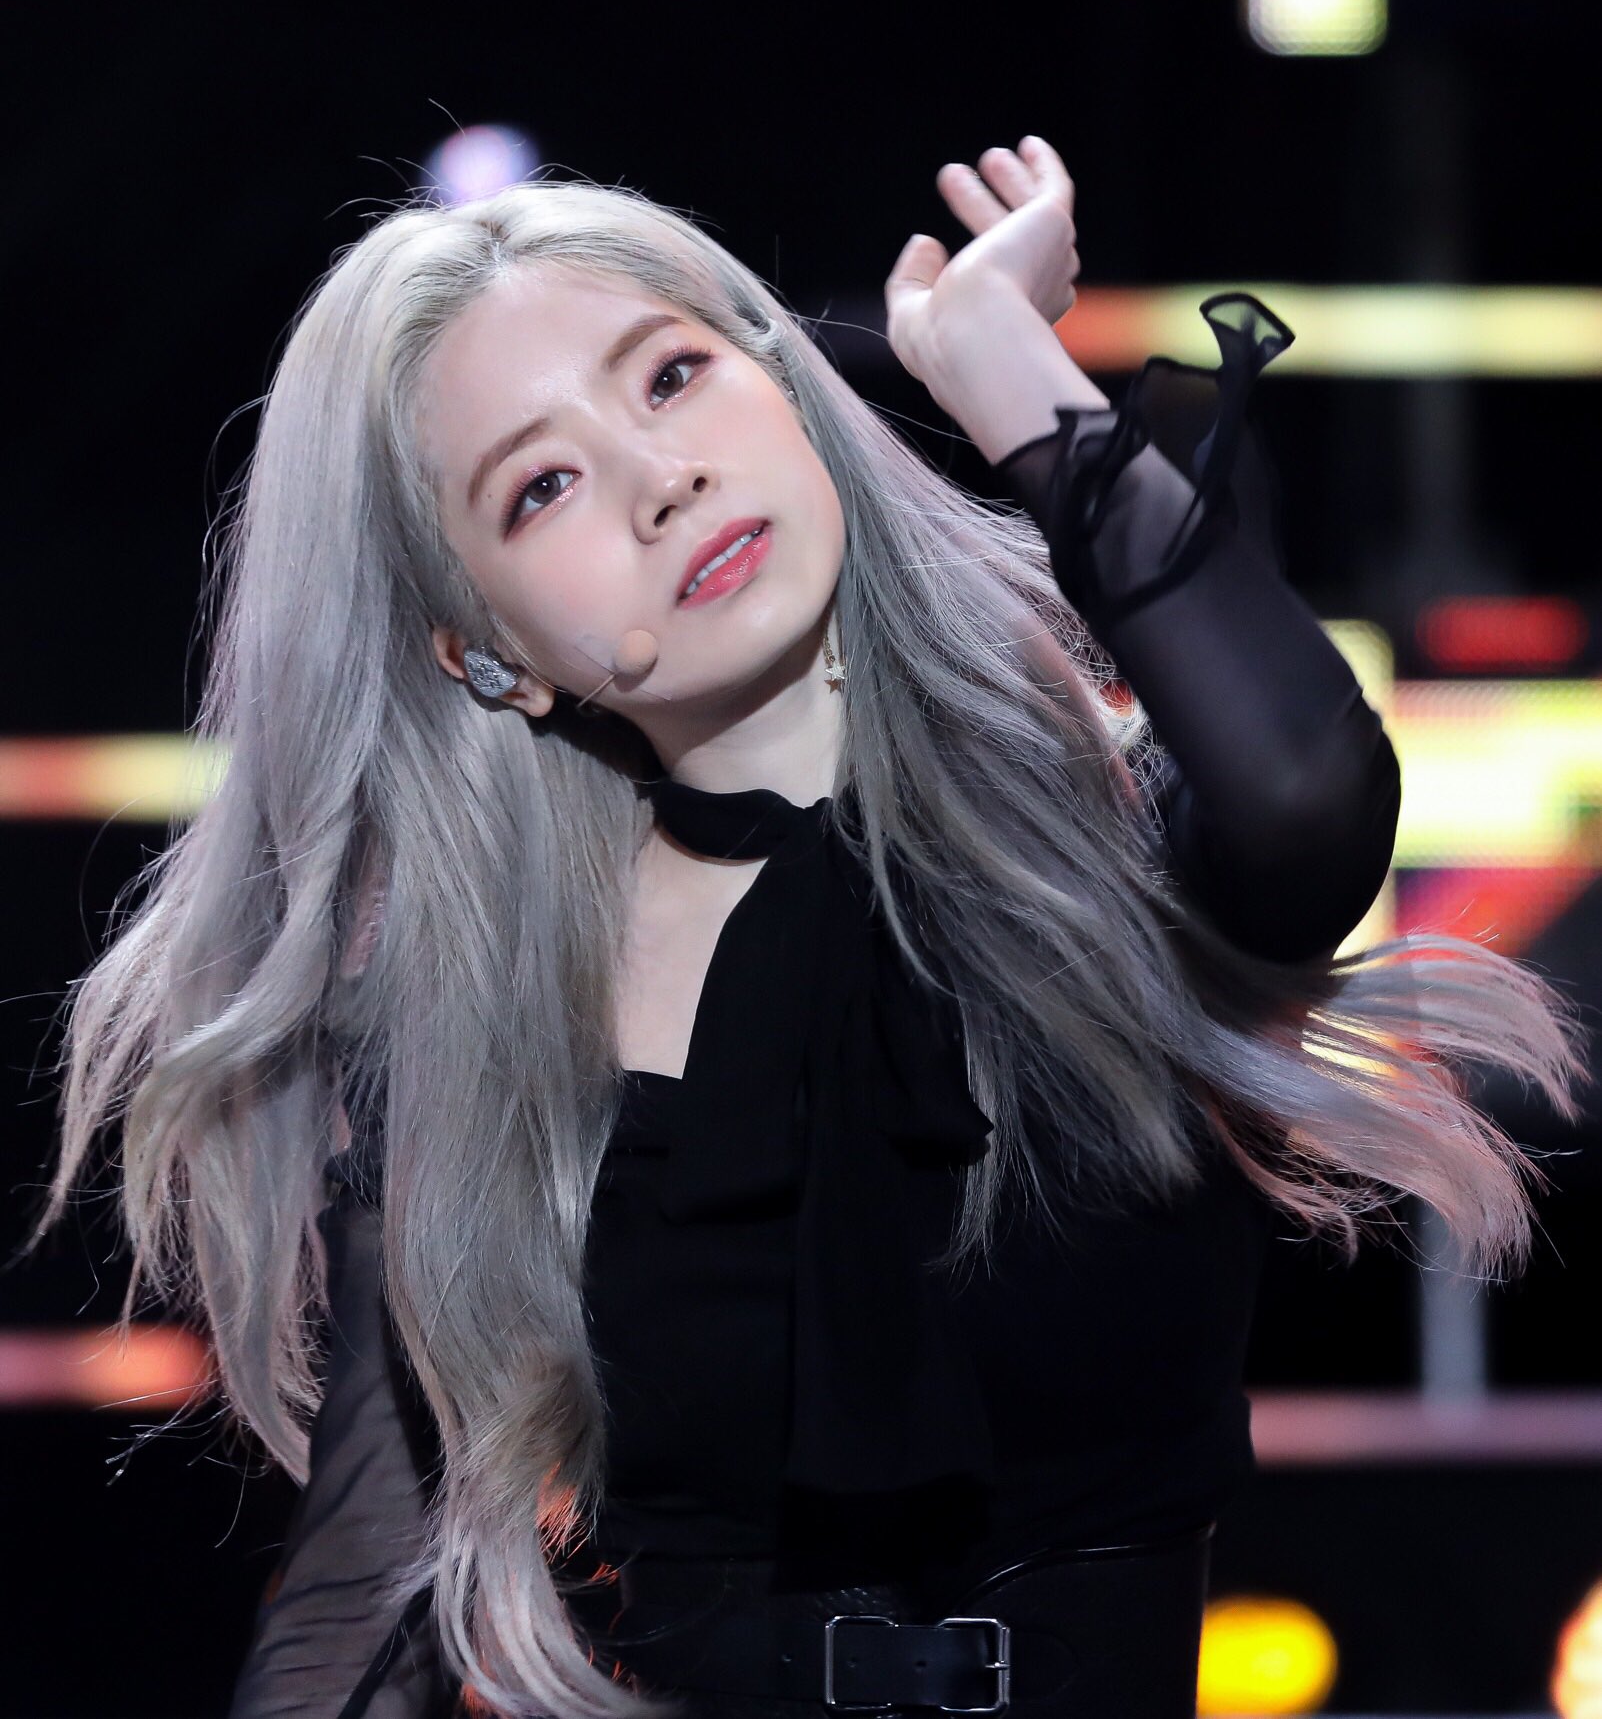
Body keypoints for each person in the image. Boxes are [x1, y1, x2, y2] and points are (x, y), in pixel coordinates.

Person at [35, 136, 1589, 1719]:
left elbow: (1309, 791)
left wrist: (998, 359)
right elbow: (363, 1602)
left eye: (672, 376)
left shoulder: (1106, 854)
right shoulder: (475, 1034)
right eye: (542, 485)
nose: (660, 478)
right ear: (485, 647)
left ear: (785, 384)